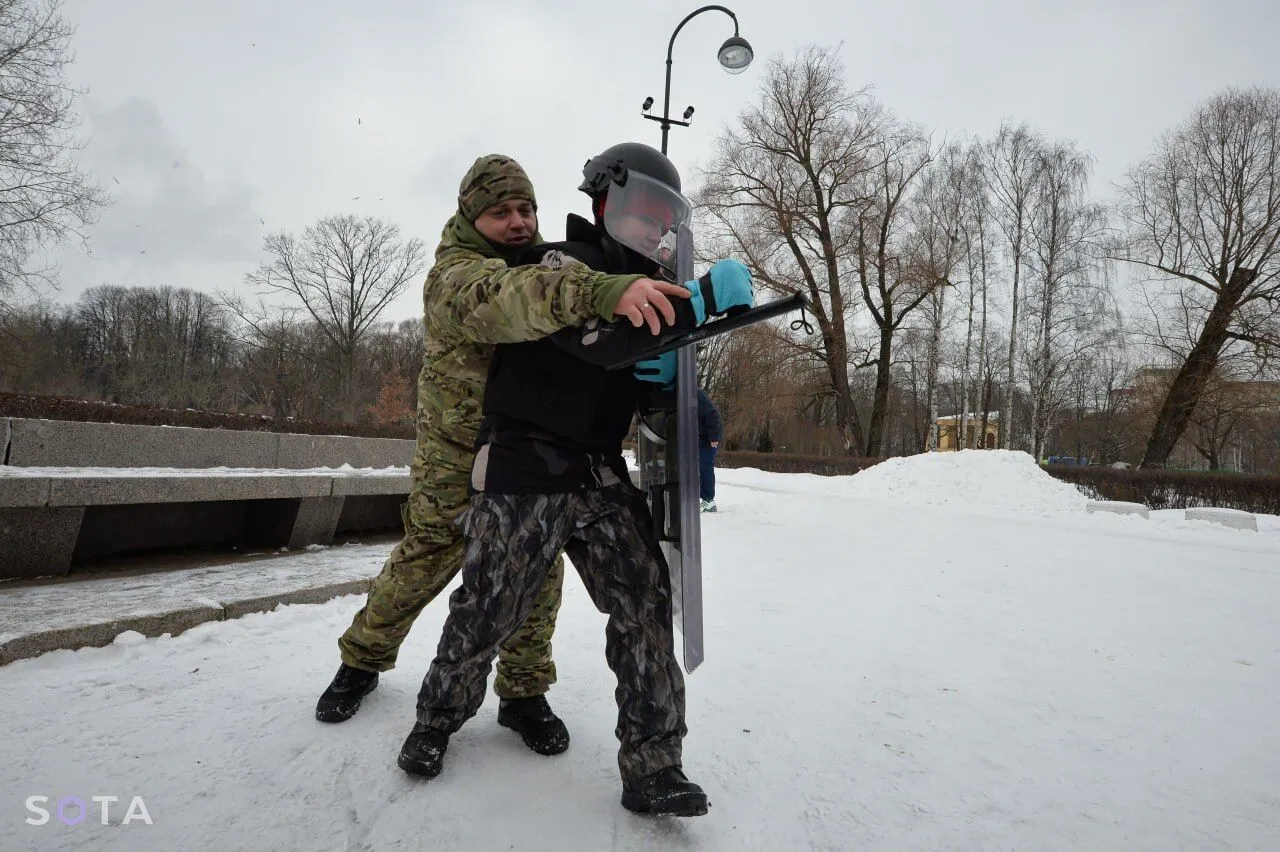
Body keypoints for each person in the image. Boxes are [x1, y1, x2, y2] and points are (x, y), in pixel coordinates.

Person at [397, 142, 753, 817]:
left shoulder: (655, 293)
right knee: (489, 610)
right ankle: (437, 717)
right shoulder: (560, 261)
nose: (653, 231)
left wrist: (673, 380)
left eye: (662, 221)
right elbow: (599, 337)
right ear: (604, 203)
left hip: (597, 472)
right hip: (525, 466)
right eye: (641, 214)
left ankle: (654, 764)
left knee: (646, 600)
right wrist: (698, 305)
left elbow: (664, 410)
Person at [315, 154, 687, 760]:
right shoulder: (460, 275)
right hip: (455, 454)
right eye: (500, 212)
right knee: (427, 558)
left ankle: (523, 692)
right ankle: (362, 659)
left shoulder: (552, 263)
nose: (518, 223)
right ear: (470, 216)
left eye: (526, 209)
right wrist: (604, 291)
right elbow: (515, 298)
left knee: (537, 573)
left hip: (524, 451)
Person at [697, 388, 722, 512]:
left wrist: (714, 437)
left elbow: (712, 414)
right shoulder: (686, 392)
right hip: (700, 439)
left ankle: (709, 501)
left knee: (705, 466)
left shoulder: (696, 394)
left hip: (708, 439)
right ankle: (705, 498)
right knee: (700, 468)